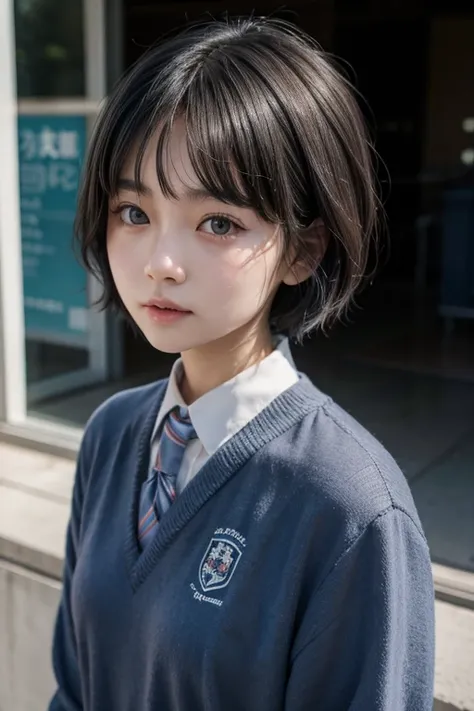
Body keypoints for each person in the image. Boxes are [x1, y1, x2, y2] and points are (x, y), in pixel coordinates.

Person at [48, 16, 435, 711]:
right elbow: (75, 689)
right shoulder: (110, 436)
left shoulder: (348, 505)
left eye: (218, 222)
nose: (160, 263)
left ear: (303, 249)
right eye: (133, 210)